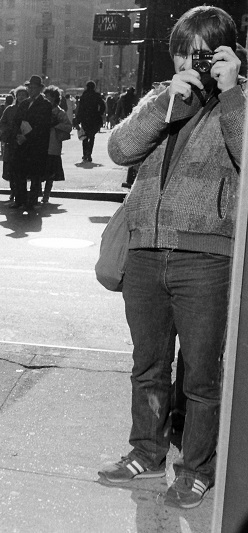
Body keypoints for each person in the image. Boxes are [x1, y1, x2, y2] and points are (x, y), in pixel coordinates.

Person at [99, 5, 245, 510]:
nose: (191, 62)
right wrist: (166, 104)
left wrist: (230, 94)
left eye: (203, 54)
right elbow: (119, 149)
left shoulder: (239, 100)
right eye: (183, 52)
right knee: (149, 365)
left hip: (205, 258)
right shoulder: (162, 97)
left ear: (225, 54)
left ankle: (196, 469)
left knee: (201, 374)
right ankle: (147, 451)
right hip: (144, 253)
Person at [12, 75, 52, 210]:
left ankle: (32, 200)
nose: (31, 90)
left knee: (35, 174)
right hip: (22, 143)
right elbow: (16, 121)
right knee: (20, 173)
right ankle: (20, 199)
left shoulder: (45, 104)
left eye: (34, 88)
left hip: (36, 144)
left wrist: (28, 136)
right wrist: (17, 134)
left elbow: (43, 126)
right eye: (30, 88)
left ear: (40, 89)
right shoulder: (24, 103)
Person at [42, 85, 72, 204]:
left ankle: (46, 196)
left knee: (50, 174)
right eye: (46, 97)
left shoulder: (60, 112)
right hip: (40, 145)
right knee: (38, 172)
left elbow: (68, 127)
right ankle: (36, 193)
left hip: (53, 145)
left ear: (55, 98)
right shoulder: (40, 109)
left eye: (50, 97)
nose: (48, 99)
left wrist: (56, 125)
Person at [0, 86, 29, 202]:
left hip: (24, 142)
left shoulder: (29, 109)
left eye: (24, 95)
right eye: (19, 95)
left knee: (22, 169)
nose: (21, 97)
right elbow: (1, 123)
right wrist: (9, 132)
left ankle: (21, 193)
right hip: (11, 142)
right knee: (11, 168)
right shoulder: (9, 109)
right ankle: (13, 191)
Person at [74, 80, 106, 162]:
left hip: (85, 118)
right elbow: (102, 105)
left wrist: (78, 119)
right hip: (94, 118)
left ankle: (85, 154)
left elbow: (80, 108)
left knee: (84, 136)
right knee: (92, 137)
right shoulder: (96, 96)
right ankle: (89, 154)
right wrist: (99, 113)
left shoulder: (84, 96)